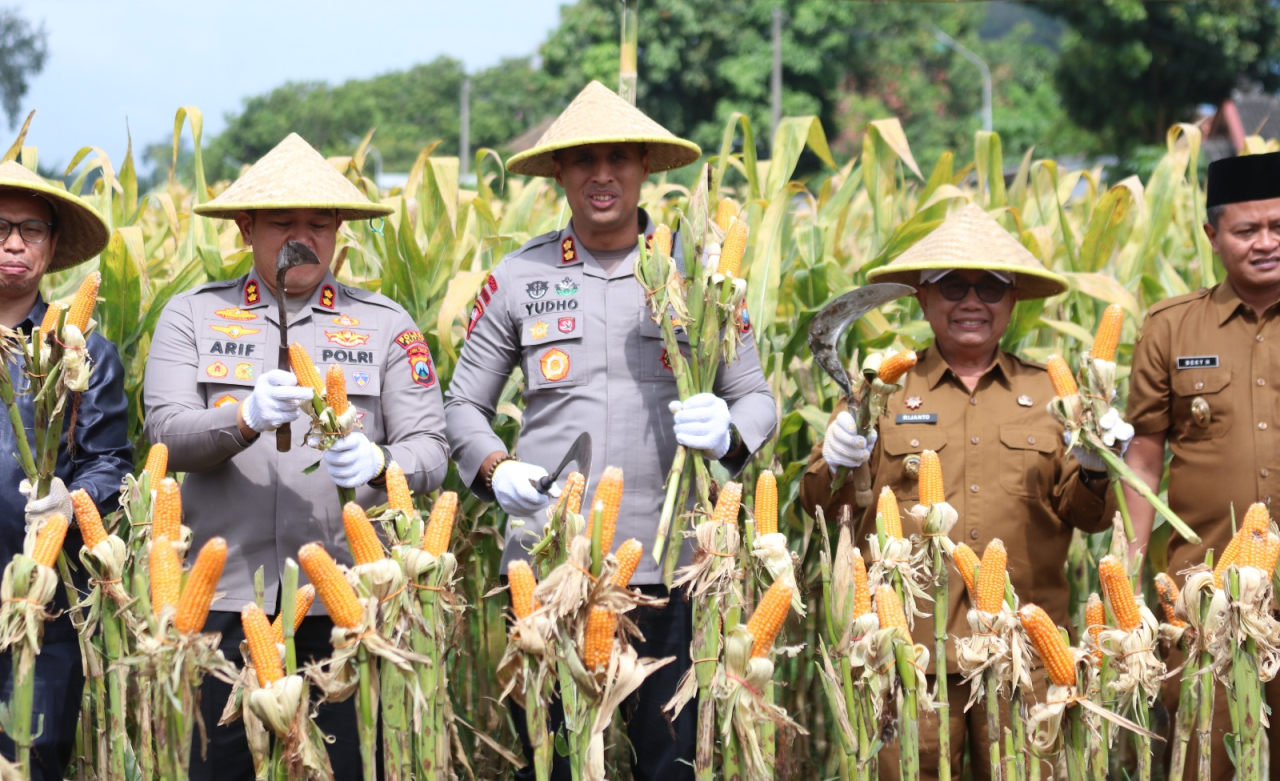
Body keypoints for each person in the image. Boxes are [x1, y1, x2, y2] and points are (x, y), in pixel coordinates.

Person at [444, 81, 777, 780]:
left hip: (670, 569)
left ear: (645, 166)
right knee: (555, 764)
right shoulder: (518, 276)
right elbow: (463, 405)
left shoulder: (699, 276)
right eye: (584, 160)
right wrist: (495, 468)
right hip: (549, 569)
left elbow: (755, 397)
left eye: (619, 158)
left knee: (670, 766)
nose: (602, 175)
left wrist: (728, 433)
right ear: (558, 172)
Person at [143, 133, 450, 778]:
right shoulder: (192, 316)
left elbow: (431, 450)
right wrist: (244, 418)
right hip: (221, 605)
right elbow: (165, 433)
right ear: (245, 227)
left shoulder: (385, 324)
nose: (302, 238)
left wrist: (379, 463)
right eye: (283, 222)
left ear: (339, 230)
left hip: (347, 605)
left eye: (319, 223)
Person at [800, 204, 1116, 781]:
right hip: (909, 653)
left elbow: (1086, 516)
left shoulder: (1052, 396)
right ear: (923, 299)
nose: (972, 301)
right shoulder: (882, 391)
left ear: (1012, 299)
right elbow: (821, 504)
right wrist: (840, 460)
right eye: (952, 286)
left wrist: (1097, 470)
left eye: (990, 287)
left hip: (1024, 648)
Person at [1123, 151, 1280, 780]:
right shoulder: (1171, 328)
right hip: (1205, 595)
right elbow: (1143, 456)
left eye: (1278, 226)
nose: (1266, 242)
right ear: (1214, 236)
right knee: (1204, 753)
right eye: (1247, 230)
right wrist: (1128, 571)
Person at [0, 157, 133, 779]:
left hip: (43, 603)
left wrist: (69, 502)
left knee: (31, 757)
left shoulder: (85, 353)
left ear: (52, 246)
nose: (13, 244)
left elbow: (110, 461)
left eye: (31, 229)